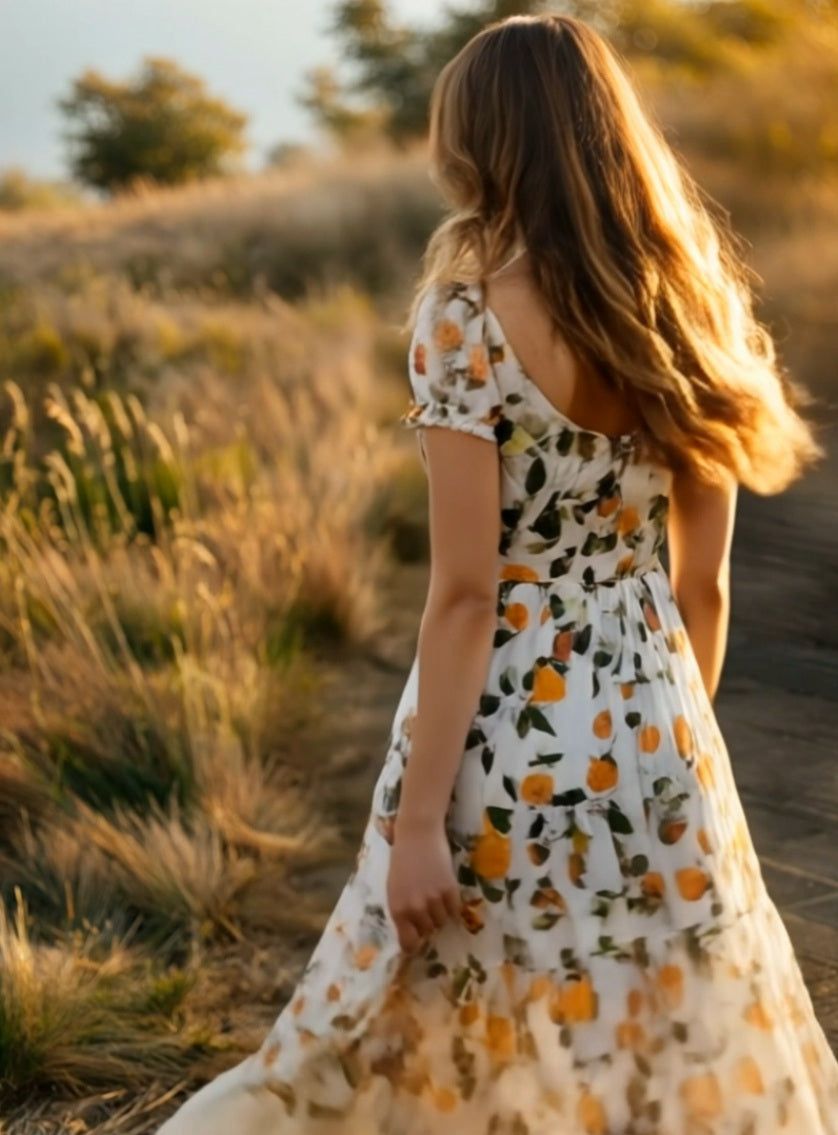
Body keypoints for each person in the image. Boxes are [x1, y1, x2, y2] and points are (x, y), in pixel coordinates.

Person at [154, 12, 838, 1134]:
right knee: (656, 1027)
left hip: (504, 738)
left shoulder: (465, 323)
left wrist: (420, 825)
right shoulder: (688, 314)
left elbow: (469, 595)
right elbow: (702, 587)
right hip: (660, 734)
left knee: (424, 1016)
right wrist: (659, 756)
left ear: (482, 145)